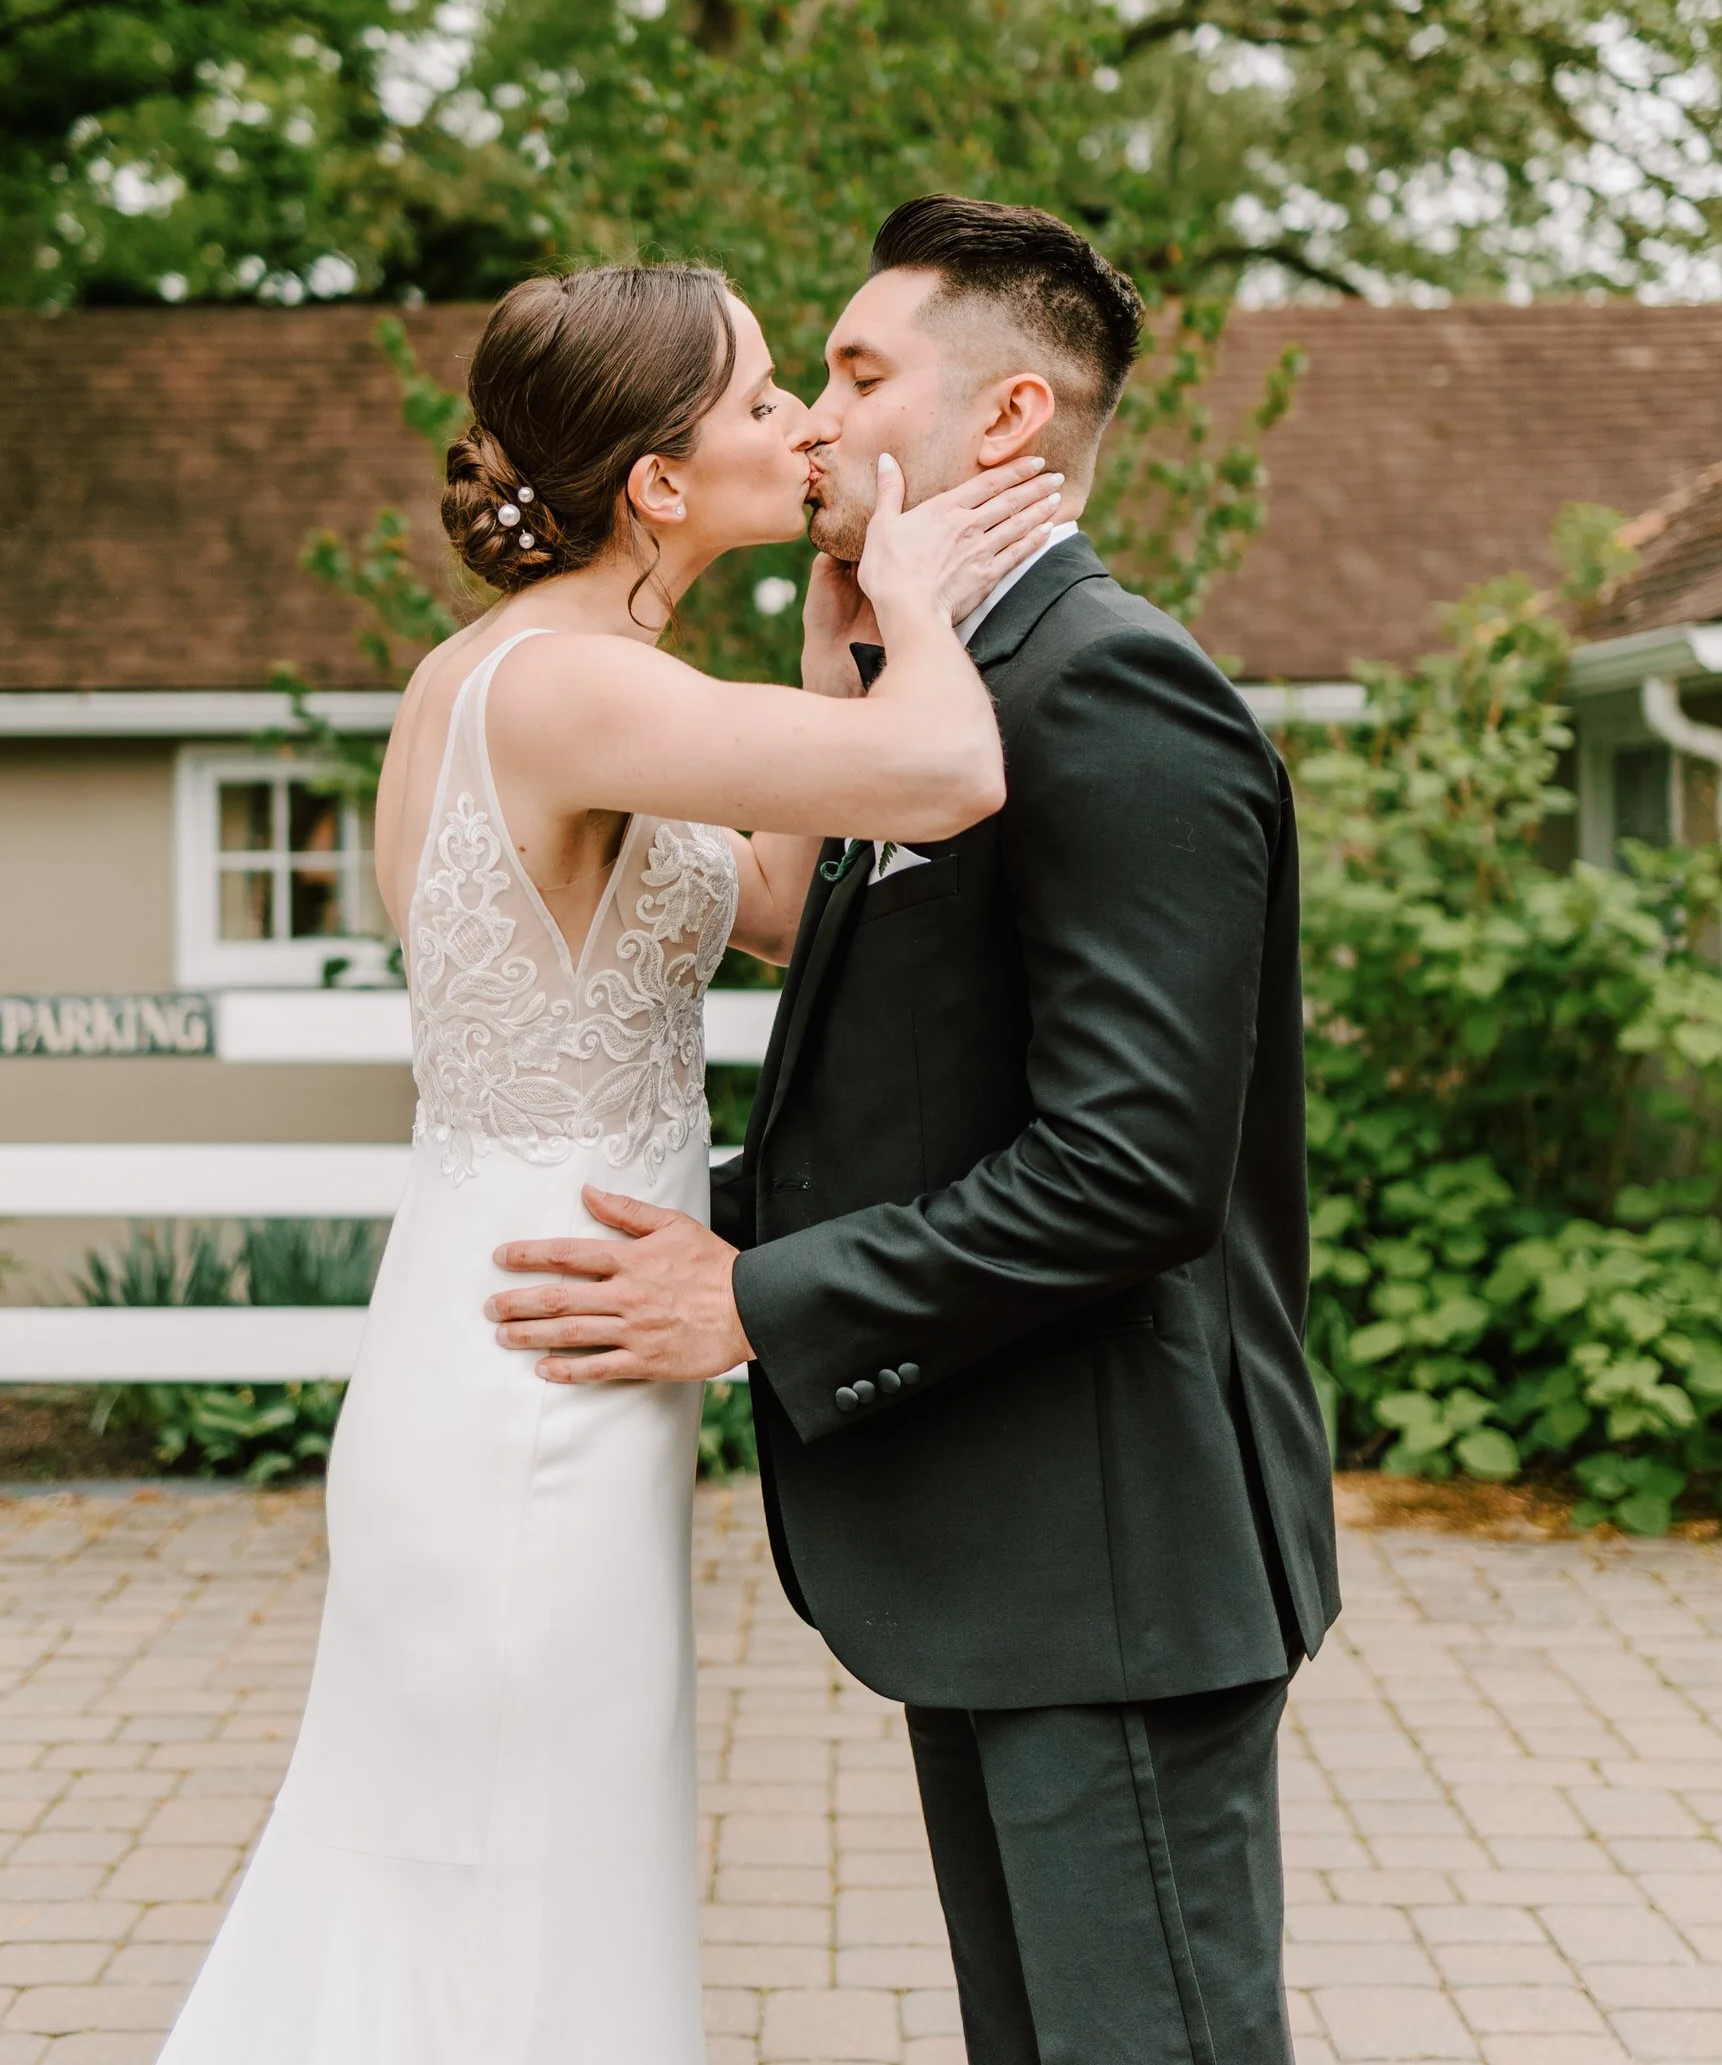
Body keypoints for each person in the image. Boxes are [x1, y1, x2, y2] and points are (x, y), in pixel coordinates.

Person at [155, 259, 1059, 2065]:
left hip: (532, 1332)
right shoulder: (567, 691)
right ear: (659, 484)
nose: (803, 422)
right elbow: (952, 770)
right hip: (533, 1370)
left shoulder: (544, 679)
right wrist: (908, 594)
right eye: (754, 402)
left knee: (506, 1860)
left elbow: (793, 908)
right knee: (511, 1872)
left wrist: (821, 657)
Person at [488, 197, 1342, 2065]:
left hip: (1111, 1562)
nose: (814, 416)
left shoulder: (1105, 687)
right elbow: (900, 1083)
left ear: (1008, 421)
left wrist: (756, 1300)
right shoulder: (936, 693)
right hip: (998, 1555)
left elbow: (1128, 1169)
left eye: (857, 372)